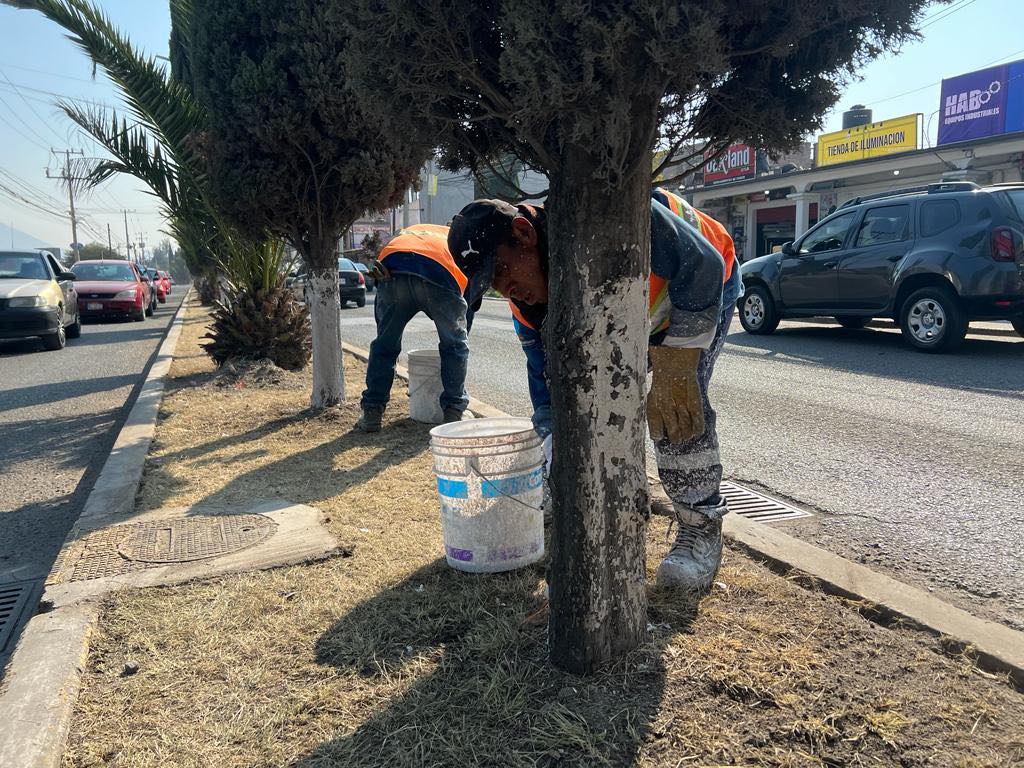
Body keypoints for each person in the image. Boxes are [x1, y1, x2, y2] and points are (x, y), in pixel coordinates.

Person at [447, 188, 742, 593]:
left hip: (703, 284)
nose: (504, 288)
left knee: (675, 407)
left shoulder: (605, 216)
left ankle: (701, 527)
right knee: (586, 404)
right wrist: (552, 475)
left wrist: (677, 364)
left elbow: (702, 264)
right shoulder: (531, 309)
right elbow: (550, 404)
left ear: (524, 233)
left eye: (501, 270)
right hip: (640, 305)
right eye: (490, 284)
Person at [356, 223, 472, 432]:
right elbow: (468, 297)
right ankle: (454, 414)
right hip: (439, 275)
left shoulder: (413, 230)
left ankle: (372, 413)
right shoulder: (458, 241)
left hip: (392, 272)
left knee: (385, 345)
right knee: (455, 347)